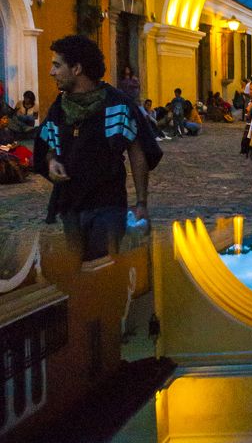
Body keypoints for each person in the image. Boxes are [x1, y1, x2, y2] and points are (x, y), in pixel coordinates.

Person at [34, 35, 162, 271]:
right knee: (76, 271)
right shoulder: (59, 108)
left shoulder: (118, 105)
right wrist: (52, 162)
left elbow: (137, 151)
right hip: (70, 206)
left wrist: (141, 202)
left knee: (103, 271)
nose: (52, 72)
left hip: (108, 205)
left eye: (57, 65)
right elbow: (49, 145)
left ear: (77, 68)